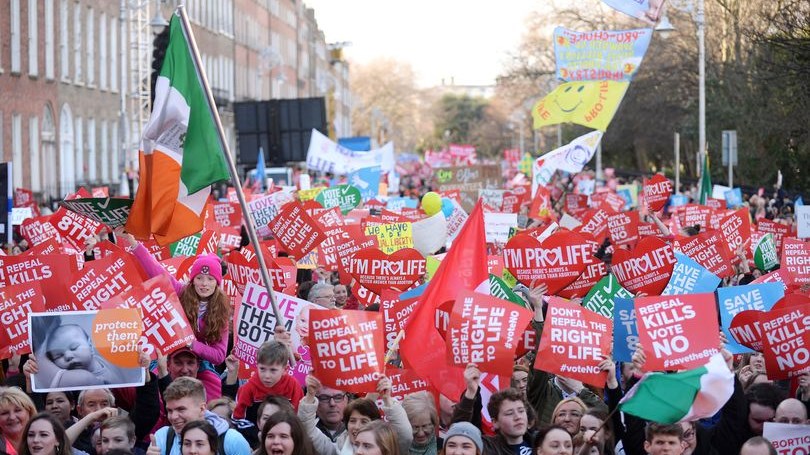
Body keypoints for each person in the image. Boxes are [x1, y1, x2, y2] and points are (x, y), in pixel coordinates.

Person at [120, 230, 230, 402]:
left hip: (197, 362)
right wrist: (133, 243)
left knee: (214, 392)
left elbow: (219, 355)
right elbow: (156, 271)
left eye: (210, 279)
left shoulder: (221, 311)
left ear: (217, 283)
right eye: (200, 278)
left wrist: (192, 344)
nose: (204, 284)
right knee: (151, 389)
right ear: (192, 279)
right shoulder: (180, 292)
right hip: (169, 356)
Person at [299, 375, 412, 455]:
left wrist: (387, 399)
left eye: (364, 421)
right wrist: (310, 396)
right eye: (352, 421)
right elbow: (306, 431)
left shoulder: (390, 447)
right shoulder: (338, 449)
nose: (357, 426)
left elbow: (405, 434)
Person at [148, 377, 250, 455]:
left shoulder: (231, 440)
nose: (173, 417)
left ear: (202, 409)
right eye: (170, 410)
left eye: (181, 409)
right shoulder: (163, 437)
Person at [230, 339, 303, 421]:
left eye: (273, 370)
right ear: (257, 365)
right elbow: (238, 419)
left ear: (285, 369)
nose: (267, 376)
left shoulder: (293, 386)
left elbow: (299, 418)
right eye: (262, 369)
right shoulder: (248, 388)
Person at [43, 324, 126, 388]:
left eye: (73, 348)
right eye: (59, 355)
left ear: (90, 345)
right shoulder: (72, 381)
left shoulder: (105, 359)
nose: (68, 356)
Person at [0, 387, 37, 455]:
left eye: (17, 410)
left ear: (30, 412)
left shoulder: (44, 441)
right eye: (4, 413)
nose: (12, 417)